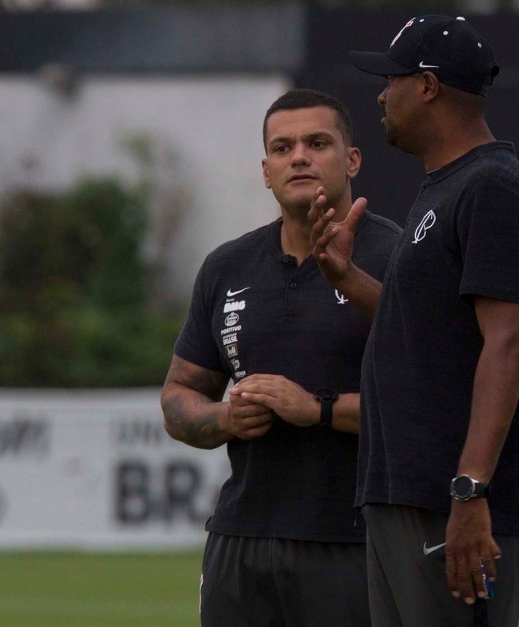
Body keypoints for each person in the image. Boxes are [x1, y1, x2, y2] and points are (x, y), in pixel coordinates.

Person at [308, 15, 519, 627]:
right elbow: (426, 327)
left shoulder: (492, 187)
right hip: (404, 491)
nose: (381, 95)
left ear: (427, 86)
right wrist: (349, 281)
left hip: (448, 501)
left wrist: (469, 490)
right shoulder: (445, 188)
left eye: (390, 79)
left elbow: (508, 342)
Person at [160, 88, 401, 627]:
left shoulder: (396, 259)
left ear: (352, 160)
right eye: (282, 146)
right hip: (239, 539)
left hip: (354, 541)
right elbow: (178, 396)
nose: (299, 156)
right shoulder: (227, 266)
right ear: (266, 170)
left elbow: (428, 406)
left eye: (317, 143)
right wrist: (223, 417)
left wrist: (316, 408)